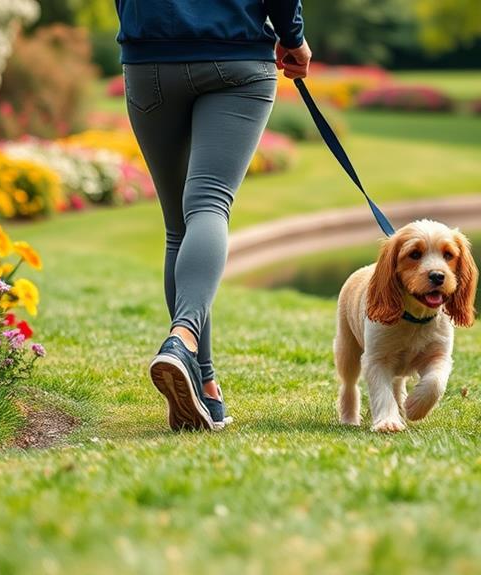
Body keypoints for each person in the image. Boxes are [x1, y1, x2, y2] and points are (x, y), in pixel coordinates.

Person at [114, 0, 311, 431]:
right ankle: (183, 338)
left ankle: (205, 386)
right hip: (234, 53)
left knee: (178, 227)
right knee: (209, 203)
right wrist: (292, 36)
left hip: (149, 56)